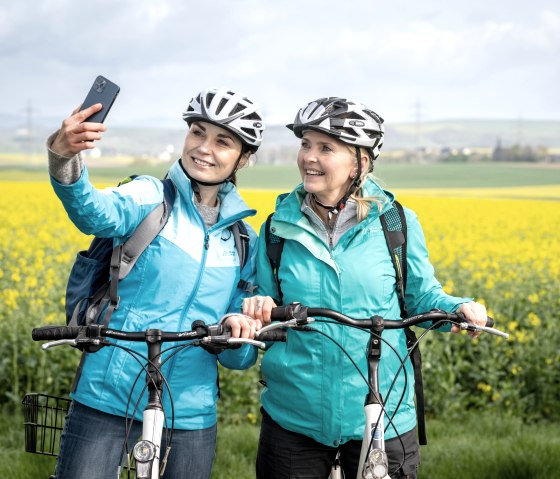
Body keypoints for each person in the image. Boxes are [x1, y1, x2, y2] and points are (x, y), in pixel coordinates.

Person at [242, 97, 489, 479]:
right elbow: (264, 301)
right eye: (305, 144)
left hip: (383, 411)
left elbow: (421, 296)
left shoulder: (396, 223)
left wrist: (458, 308)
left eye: (326, 147)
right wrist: (257, 306)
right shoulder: (276, 228)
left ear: (360, 161)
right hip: (295, 415)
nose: (309, 156)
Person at [47, 87, 266, 478]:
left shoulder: (243, 239)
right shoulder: (150, 196)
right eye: (197, 132)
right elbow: (93, 213)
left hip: (191, 410)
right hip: (106, 395)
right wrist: (64, 157)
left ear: (243, 158)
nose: (204, 148)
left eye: (223, 141)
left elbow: (241, 357)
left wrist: (236, 334)